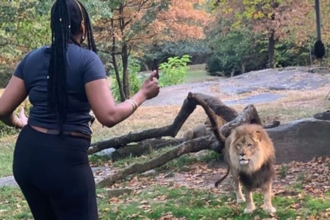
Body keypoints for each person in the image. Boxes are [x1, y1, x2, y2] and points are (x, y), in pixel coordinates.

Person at [0, 0, 160, 219]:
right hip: (65, 161)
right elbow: (109, 115)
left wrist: (18, 123)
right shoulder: (87, 60)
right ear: (82, 27)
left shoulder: (31, 59)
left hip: (27, 157)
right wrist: (142, 94)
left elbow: (2, 110)